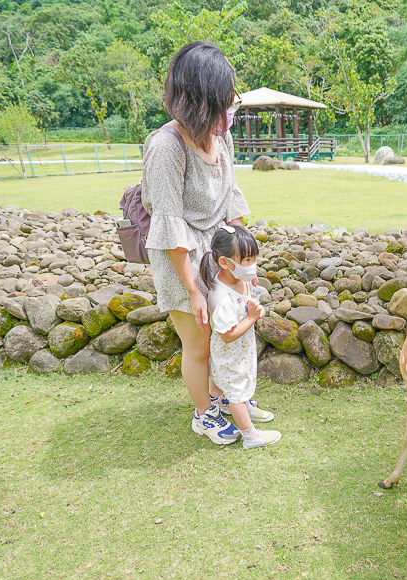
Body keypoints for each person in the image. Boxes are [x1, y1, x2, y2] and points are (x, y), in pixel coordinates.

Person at [141, 41, 264, 445]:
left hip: (219, 252)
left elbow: (231, 198)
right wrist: (193, 290)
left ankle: (230, 399)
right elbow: (169, 221)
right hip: (182, 258)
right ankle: (204, 414)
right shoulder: (166, 146)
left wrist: (244, 263)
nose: (230, 109)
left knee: (228, 330)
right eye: (223, 100)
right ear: (200, 98)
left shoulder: (219, 135)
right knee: (199, 342)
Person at [199, 226, 281, 449]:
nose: (252, 265)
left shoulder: (238, 278)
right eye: (247, 259)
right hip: (230, 351)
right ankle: (251, 437)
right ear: (225, 262)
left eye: (254, 257)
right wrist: (252, 318)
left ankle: (240, 407)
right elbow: (227, 336)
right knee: (236, 392)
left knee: (235, 384)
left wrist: (253, 309)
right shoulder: (221, 297)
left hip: (240, 350)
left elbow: (245, 306)